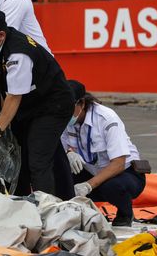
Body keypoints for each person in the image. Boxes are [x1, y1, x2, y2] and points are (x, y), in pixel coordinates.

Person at [0, 9, 74, 197]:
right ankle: (23, 201)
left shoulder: (18, 55)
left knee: (38, 161)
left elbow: (13, 97)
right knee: (19, 156)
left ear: (0, 35)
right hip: (30, 104)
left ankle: (48, 210)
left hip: (52, 106)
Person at [62, 80, 147, 227]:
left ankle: (125, 213)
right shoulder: (63, 118)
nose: (64, 111)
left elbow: (119, 163)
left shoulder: (106, 118)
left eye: (69, 107)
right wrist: (69, 153)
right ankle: (78, 213)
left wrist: (88, 185)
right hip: (91, 169)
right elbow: (60, 145)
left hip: (125, 173)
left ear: (81, 104)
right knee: (58, 175)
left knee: (112, 187)